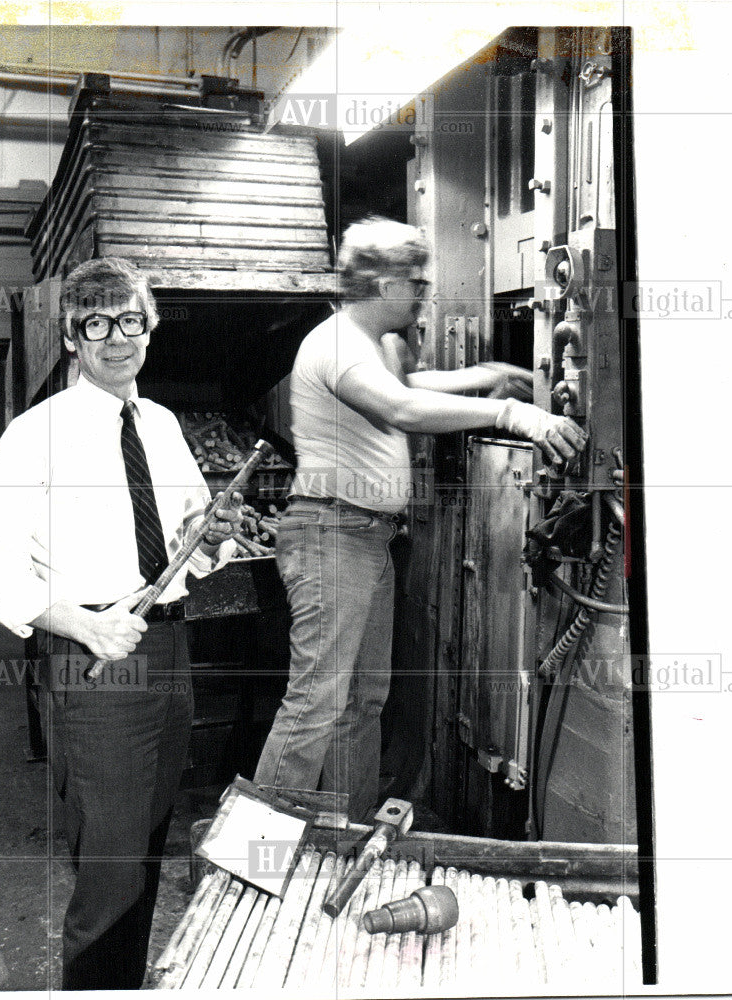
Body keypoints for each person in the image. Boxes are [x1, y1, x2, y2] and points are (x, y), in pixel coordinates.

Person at [252, 217, 587, 823]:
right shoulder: (334, 343)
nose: (424, 293)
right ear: (383, 284)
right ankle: (259, 859)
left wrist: (487, 376)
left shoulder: (368, 344)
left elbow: (409, 384)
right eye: (416, 282)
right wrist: (515, 414)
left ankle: (345, 839)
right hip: (331, 533)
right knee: (315, 703)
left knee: (361, 702)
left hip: (364, 537)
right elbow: (401, 406)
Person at [0, 257, 242, 990]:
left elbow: (190, 538)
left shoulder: (158, 423)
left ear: (148, 331)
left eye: (129, 319)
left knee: (151, 840)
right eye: (96, 322)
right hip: (95, 660)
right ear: (72, 337)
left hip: (169, 645)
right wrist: (87, 628)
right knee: (110, 865)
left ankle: (122, 983)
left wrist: (216, 532)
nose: (115, 336)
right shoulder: (35, 435)